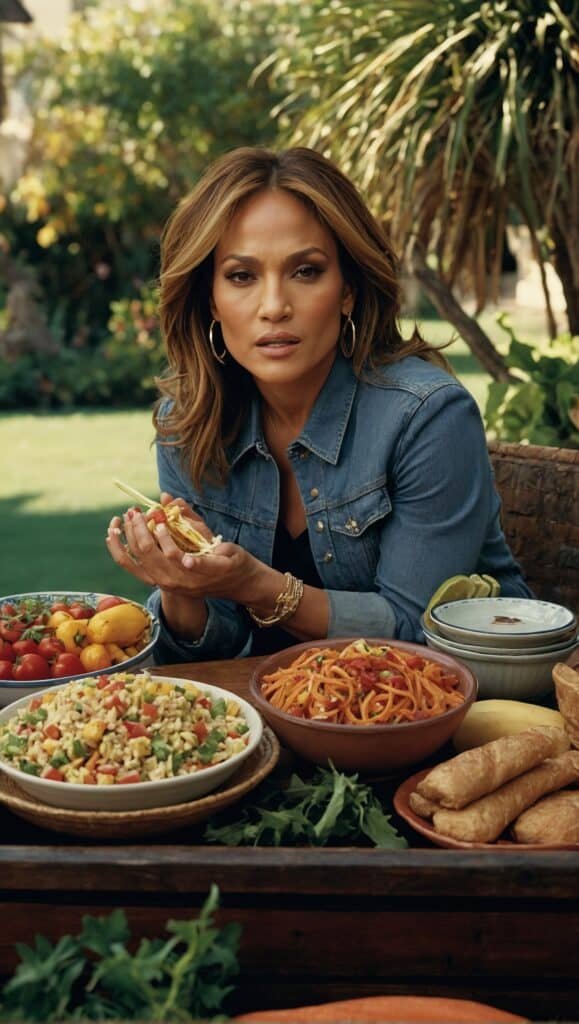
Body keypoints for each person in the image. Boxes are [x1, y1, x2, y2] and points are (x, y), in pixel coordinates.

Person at [106, 146, 531, 664]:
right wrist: (180, 585)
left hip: (455, 713)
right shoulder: (189, 423)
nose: (274, 306)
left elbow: (417, 634)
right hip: (278, 719)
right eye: (242, 276)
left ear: (348, 289)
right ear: (210, 300)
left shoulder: (427, 416)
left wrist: (260, 586)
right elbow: (214, 653)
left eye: (305, 271)